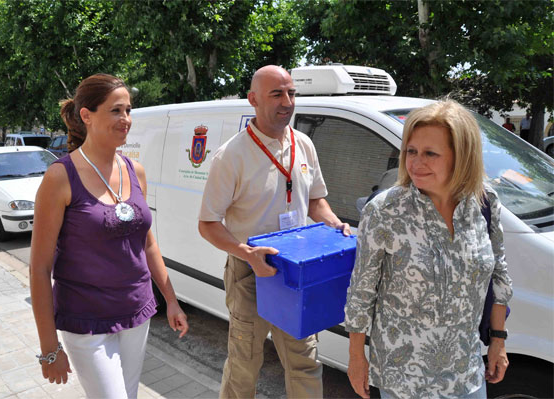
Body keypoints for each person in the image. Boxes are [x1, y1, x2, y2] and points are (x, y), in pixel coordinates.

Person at [30, 73, 188, 399]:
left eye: (129, 110)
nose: (126, 119)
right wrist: (49, 348)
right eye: (116, 111)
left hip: (137, 312)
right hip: (86, 321)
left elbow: (147, 243)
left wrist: (171, 300)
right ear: (86, 116)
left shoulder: (136, 171)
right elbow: (39, 268)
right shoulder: (60, 177)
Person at [198, 65, 351, 398]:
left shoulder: (305, 144)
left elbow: (315, 202)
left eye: (291, 93)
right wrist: (247, 255)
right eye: (276, 94)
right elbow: (208, 224)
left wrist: (334, 223)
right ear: (253, 99)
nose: (287, 102)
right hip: (251, 273)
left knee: (305, 362)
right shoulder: (232, 155)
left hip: (297, 271)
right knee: (244, 363)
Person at [344, 100, 513, 399]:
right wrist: (357, 358)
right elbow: (361, 291)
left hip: (467, 373)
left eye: (430, 154)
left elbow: (498, 274)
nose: (416, 163)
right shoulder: (385, 210)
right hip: (404, 381)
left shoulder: (484, 203)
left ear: (461, 157)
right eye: (411, 151)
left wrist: (498, 339)